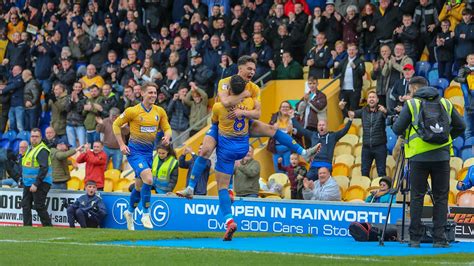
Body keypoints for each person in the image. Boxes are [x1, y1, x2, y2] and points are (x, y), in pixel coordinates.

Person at [177, 57, 321, 199]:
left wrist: (243, 112)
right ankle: (190, 188)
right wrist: (244, 95)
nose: (252, 72)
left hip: (244, 123)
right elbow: (225, 102)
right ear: (240, 69)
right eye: (249, 69)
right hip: (221, 124)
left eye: (254, 69)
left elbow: (257, 113)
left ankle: (304, 152)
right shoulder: (225, 82)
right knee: (205, 151)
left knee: (271, 130)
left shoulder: (254, 88)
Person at [392, 77, 465, 248]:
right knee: (440, 198)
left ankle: (415, 239)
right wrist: (446, 139)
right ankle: (439, 238)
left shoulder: (411, 105)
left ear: (415, 88)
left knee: (417, 197)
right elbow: (461, 125)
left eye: (411, 90)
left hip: (418, 157)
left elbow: (397, 129)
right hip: (442, 157)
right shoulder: (446, 103)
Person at [113, 82, 172, 230]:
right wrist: (121, 144)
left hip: (148, 153)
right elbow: (115, 124)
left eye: (155, 92)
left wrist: (167, 136)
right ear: (143, 94)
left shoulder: (159, 111)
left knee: (139, 187)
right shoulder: (133, 111)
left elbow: (167, 128)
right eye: (150, 92)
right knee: (149, 179)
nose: (153, 95)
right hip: (134, 152)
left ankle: (129, 212)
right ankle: (146, 214)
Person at [349, 91, 388, 178]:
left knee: (381, 172)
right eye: (370, 97)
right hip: (366, 147)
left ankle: (384, 191)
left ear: (377, 100)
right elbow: (351, 114)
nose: (371, 99)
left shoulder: (382, 111)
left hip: (380, 146)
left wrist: (386, 111)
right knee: (364, 172)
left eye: (373, 97)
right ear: (367, 100)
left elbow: (391, 118)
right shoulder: (363, 111)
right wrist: (343, 108)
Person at [21, 128, 52, 227]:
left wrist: (36, 184)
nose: (34, 139)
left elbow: (44, 168)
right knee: (26, 205)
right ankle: (27, 228)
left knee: (39, 206)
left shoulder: (42, 150)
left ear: (40, 138)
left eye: (36, 137)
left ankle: (48, 227)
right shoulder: (30, 148)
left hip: (41, 183)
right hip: (28, 183)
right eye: (32, 136)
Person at [268, 101, 294, 173]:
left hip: (288, 147)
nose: (285, 108)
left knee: (288, 170)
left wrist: (292, 130)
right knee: (278, 170)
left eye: (287, 107)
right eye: (283, 107)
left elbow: (299, 131)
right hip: (276, 148)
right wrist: (273, 127)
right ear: (280, 109)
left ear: (290, 109)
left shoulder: (293, 118)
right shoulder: (274, 118)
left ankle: (289, 184)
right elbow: (268, 130)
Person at [454, 53, 474, 139]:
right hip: (468, 105)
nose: (473, 60)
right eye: (471, 59)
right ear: (467, 60)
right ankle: (468, 148)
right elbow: (457, 78)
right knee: (468, 130)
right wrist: (465, 79)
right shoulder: (463, 69)